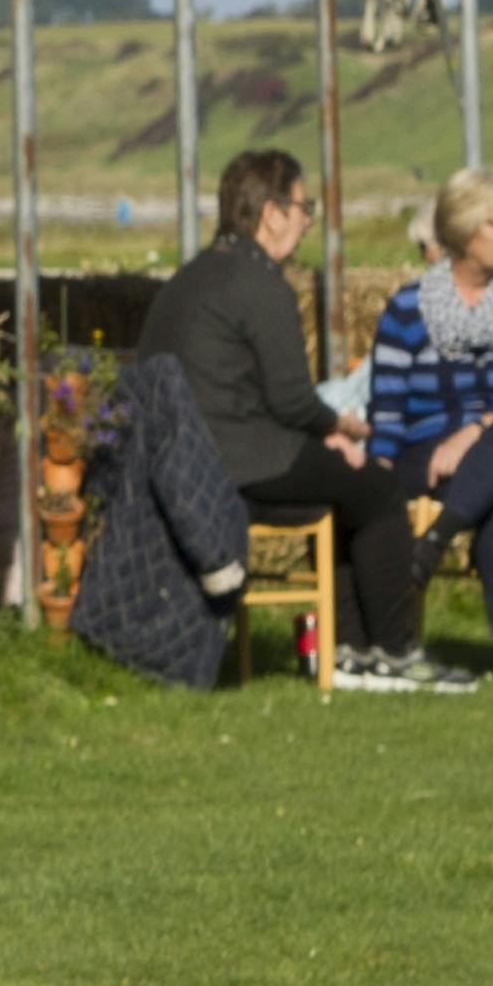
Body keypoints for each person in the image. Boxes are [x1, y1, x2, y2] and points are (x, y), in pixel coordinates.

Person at [137, 148, 428, 673]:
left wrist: (324, 441)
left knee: (344, 486)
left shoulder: (188, 278)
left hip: (187, 464)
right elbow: (291, 400)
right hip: (245, 460)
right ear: (272, 214)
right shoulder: (260, 282)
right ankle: (394, 651)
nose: (308, 220)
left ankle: (347, 650)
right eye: (303, 206)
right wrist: (342, 426)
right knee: (379, 489)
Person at [362, 164, 493, 684]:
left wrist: (475, 432)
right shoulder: (408, 308)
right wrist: (377, 475)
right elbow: (386, 405)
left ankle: (432, 543)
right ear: (465, 229)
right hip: (428, 453)